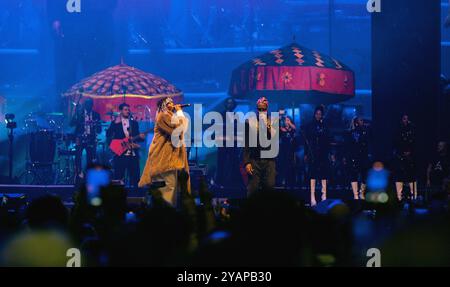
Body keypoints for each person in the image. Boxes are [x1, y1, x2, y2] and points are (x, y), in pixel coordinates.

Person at [138, 97, 190, 207]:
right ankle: (166, 213)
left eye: (172, 102)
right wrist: (180, 112)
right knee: (168, 186)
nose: (172, 105)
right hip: (163, 157)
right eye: (169, 103)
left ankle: (164, 211)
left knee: (169, 186)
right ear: (164, 105)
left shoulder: (169, 116)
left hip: (168, 157)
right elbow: (179, 129)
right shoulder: (163, 116)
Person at [243, 97, 277, 195]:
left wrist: (267, 124)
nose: (261, 111)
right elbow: (246, 143)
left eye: (263, 109)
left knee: (269, 188)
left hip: (269, 160)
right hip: (255, 160)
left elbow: (276, 138)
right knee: (253, 189)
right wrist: (246, 162)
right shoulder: (249, 122)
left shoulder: (273, 121)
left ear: (267, 109)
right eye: (259, 109)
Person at [106, 103, 145, 187]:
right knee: (119, 177)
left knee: (135, 177)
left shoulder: (134, 123)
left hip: (132, 153)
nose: (128, 111)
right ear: (121, 111)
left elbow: (136, 136)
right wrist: (115, 122)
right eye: (125, 109)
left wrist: (141, 137)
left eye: (128, 109)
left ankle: (134, 195)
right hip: (120, 154)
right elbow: (108, 134)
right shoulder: (115, 123)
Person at [303, 106, 331, 206]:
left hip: (323, 153)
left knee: (323, 174)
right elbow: (307, 141)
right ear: (314, 114)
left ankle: (324, 196)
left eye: (320, 114)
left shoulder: (325, 125)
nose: (318, 115)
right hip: (312, 152)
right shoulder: (310, 125)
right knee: (312, 174)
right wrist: (306, 154)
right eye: (317, 114)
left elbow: (328, 140)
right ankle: (312, 197)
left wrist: (329, 153)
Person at [215, 98, 243, 189]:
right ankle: (220, 181)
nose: (230, 105)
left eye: (231, 103)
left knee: (234, 162)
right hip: (222, 142)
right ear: (225, 104)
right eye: (228, 103)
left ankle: (235, 181)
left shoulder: (236, 116)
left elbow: (238, 129)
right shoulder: (221, 115)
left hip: (232, 142)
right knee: (221, 162)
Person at [70, 98, 101, 178]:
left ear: (92, 105)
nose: (88, 106)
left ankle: (88, 174)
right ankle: (78, 173)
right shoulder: (80, 114)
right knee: (78, 155)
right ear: (84, 105)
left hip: (90, 138)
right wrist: (75, 114)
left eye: (90, 104)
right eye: (87, 104)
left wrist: (95, 125)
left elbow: (99, 130)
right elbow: (71, 124)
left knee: (90, 157)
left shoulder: (96, 115)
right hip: (80, 138)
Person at [344, 116, 371, 200]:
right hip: (354, 157)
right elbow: (348, 146)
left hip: (363, 157)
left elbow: (368, 144)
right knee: (354, 175)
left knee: (364, 176)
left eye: (362, 120)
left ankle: (361, 193)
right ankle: (355, 195)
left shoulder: (366, 132)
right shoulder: (351, 133)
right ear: (356, 123)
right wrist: (347, 157)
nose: (362, 122)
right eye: (361, 120)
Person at [393, 114, 417, 201]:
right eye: (404, 119)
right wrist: (402, 153)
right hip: (400, 156)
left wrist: (410, 152)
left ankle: (414, 197)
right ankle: (399, 197)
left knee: (411, 176)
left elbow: (414, 142)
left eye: (407, 119)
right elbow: (395, 142)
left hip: (410, 156)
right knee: (400, 176)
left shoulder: (412, 129)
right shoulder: (397, 130)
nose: (406, 121)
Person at [277, 109, 297, 189]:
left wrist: (289, 122)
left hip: (290, 150)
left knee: (290, 165)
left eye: (288, 120)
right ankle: (281, 181)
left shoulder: (291, 129)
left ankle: (290, 181)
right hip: (282, 149)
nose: (286, 121)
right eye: (285, 120)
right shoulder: (281, 128)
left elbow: (295, 128)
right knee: (281, 165)